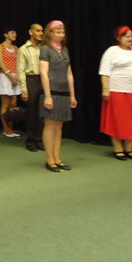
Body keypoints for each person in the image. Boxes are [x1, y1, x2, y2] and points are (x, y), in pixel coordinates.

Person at [99, 25, 132, 160]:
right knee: (118, 120)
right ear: (118, 38)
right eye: (127, 36)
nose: (130, 38)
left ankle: (129, 148)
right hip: (118, 91)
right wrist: (105, 89)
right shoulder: (112, 51)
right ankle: (118, 149)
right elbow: (104, 72)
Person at [39, 20, 77, 172]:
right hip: (51, 91)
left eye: (63, 32)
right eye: (58, 32)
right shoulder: (45, 49)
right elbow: (43, 73)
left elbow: (69, 73)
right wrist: (48, 96)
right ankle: (50, 159)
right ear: (50, 33)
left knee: (59, 126)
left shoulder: (65, 49)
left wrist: (72, 95)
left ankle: (57, 158)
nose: (61, 35)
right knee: (50, 125)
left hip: (64, 93)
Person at [17, 23, 45, 152]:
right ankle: (31, 140)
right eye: (38, 31)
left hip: (43, 80)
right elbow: (20, 70)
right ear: (30, 32)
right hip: (31, 80)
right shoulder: (23, 49)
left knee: (42, 112)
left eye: (42, 31)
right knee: (31, 112)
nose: (41, 33)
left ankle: (39, 139)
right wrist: (24, 90)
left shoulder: (44, 48)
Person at [0, 26, 21, 138]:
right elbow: (1, 64)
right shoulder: (0, 47)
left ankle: (11, 128)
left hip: (15, 76)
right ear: (6, 34)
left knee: (13, 104)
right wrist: (10, 76)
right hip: (5, 77)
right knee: (5, 104)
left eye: (15, 33)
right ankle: (6, 129)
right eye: (12, 33)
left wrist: (17, 76)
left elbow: (19, 63)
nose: (14, 35)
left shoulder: (16, 48)